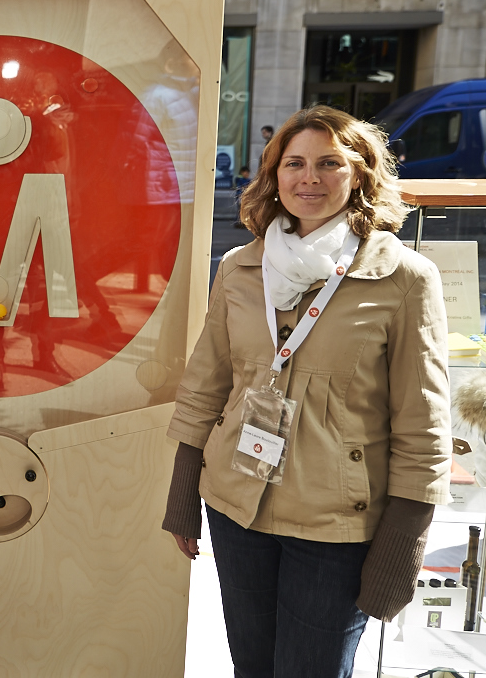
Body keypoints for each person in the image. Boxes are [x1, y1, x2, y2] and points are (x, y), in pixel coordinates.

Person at [161, 105, 451, 678]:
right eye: (294, 163)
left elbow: (424, 427)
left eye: (329, 163)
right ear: (275, 175)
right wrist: (183, 496)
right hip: (236, 506)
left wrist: (402, 546)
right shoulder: (241, 268)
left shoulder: (405, 279)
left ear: (360, 175)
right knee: (251, 665)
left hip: (335, 526)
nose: (309, 178)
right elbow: (206, 384)